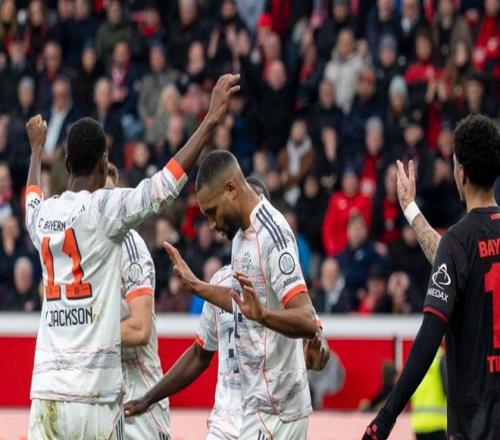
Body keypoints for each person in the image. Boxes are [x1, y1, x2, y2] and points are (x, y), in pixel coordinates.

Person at [24, 73, 240, 439]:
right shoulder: (105, 209)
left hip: (46, 393)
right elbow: (162, 187)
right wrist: (208, 123)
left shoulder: (44, 217)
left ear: (66, 164)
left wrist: (35, 151)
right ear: (104, 160)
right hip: (94, 397)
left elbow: (31, 199)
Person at [124, 177, 329, 440]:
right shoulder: (221, 283)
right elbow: (199, 355)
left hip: (272, 416)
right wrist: (148, 398)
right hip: (225, 423)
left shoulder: (281, 282)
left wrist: (319, 356)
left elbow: (316, 339)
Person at [362, 114, 500, 439]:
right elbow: (452, 262)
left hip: (474, 426)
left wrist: (385, 417)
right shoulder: (456, 247)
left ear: (460, 172)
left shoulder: (458, 241)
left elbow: (428, 339)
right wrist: (410, 209)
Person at [105, 164, 170, 439]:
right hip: (105, 398)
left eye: (110, 194)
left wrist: (87, 332)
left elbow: (140, 329)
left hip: (140, 403)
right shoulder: (88, 249)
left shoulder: (130, 246)